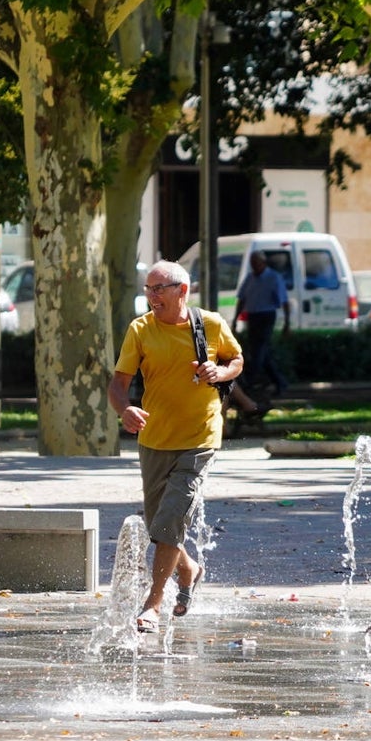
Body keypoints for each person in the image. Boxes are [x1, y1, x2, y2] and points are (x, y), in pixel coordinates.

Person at [107, 261, 244, 634]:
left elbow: (236, 360)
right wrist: (126, 409)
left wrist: (221, 371)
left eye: (159, 289)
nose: (151, 297)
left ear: (182, 291)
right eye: (148, 289)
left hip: (199, 438)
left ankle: (153, 603)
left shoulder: (211, 324)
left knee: (170, 519)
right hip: (154, 439)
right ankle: (188, 568)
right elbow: (118, 385)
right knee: (159, 524)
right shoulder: (140, 330)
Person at [233, 251, 290, 397]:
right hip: (253, 317)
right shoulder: (250, 278)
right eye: (252, 264)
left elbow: (284, 301)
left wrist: (287, 323)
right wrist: (235, 319)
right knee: (261, 352)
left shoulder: (273, 278)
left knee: (259, 350)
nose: (254, 267)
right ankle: (279, 382)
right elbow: (242, 299)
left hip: (266, 316)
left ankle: (250, 382)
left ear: (263, 263)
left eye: (256, 263)